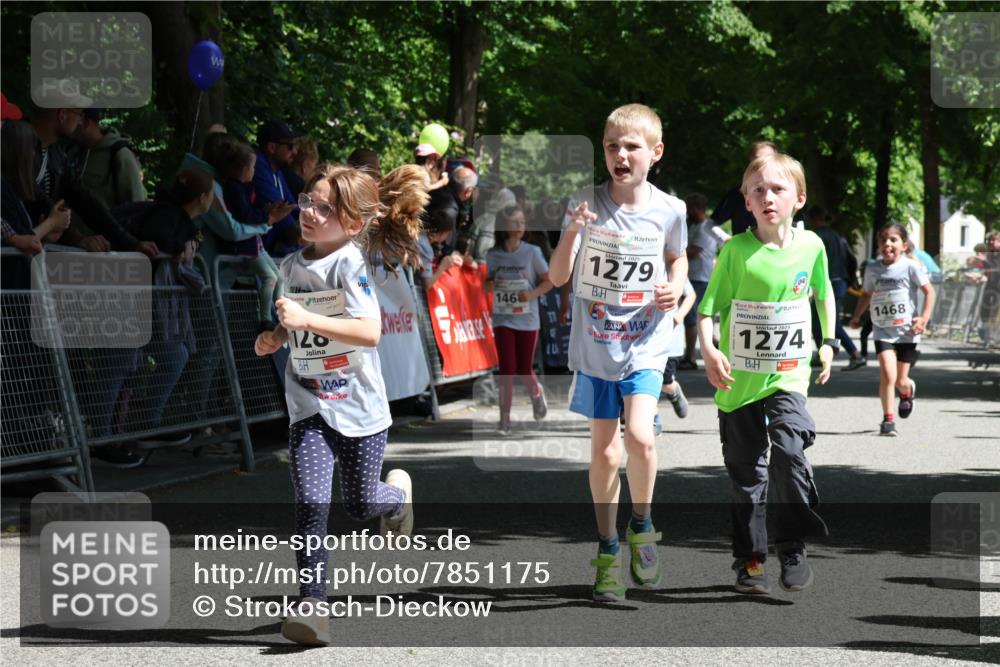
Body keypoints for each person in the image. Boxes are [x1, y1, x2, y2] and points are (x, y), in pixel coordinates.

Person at [254, 163, 426, 647]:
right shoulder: (289, 266)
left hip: (358, 408)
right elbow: (294, 322)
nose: (308, 212)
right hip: (309, 404)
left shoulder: (350, 263)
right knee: (311, 503)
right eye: (308, 201)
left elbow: (368, 332)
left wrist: (307, 316)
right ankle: (313, 606)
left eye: (323, 208)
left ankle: (395, 498)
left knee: (359, 504)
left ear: (352, 224)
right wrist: (274, 337)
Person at [549, 103, 688, 601]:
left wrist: (674, 286)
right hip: (596, 346)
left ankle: (642, 524)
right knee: (606, 453)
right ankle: (608, 548)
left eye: (632, 146)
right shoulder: (584, 201)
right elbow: (560, 275)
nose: (621, 155)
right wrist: (571, 231)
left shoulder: (671, 209)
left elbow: (678, 259)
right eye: (612, 146)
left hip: (646, 342)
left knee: (642, 439)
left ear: (656, 153)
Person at [697, 151, 834, 595]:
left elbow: (822, 291)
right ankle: (750, 557)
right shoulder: (736, 251)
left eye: (778, 189)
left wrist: (828, 342)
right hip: (738, 384)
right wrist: (709, 350)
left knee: (791, 451)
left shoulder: (811, 246)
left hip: (788, 377)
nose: (768, 197)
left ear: (799, 198)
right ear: (746, 202)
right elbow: (706, 310)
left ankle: (792, 545)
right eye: (758, 191)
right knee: (747, 476)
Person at [28, 92, 157, 257]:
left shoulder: (56, 154)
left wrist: (131, 242)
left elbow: (85, 201)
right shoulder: (20, 148)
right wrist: (79, 240)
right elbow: (39, 202)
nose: (80, 119)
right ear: (62, 115)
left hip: (35, 252)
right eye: (78, 113)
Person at [849, 223, 936, 437]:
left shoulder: (911, 267)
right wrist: (857, 315)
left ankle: (907, 392)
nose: (887, 244)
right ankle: (888, 420)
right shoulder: (873, 268)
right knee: (888, 374)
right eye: (883, 240)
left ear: (904, 245)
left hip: (908, 330)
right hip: (883, 329)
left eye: (893, 240)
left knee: (900, 380)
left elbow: (929, 292)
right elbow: (867, 294)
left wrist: (923, 318)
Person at [484, 205, 552, 434]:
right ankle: (505, 419)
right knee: (507, 368)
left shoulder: (532, 252)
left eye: (522, 223)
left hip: (527, 317)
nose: (519, 228)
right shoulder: (493, 255)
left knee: (524, 368)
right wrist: (490, 284)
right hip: (503, 317)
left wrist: (530, 294)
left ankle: (537, 393)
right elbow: (488, 282)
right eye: (514, 223)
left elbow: (548, 281)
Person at [216, 139, 294, 330]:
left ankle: (282, 313)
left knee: (279, 276)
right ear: (243, 169)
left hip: (254, 242)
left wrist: (267, 209)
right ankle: (265, 318)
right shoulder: (234, 189)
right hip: (247, 245)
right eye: (252, 167)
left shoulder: (244, 188)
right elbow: (245, 215)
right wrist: (268, 215)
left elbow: (250, 211)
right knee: (270, 277)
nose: (254, 171)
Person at [806, 206, 865, 371]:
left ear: (814, 219)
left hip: (827, 282)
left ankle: (855, 354)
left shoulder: (816, 237)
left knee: (831, 323)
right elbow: (852, 259)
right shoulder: (839, 236)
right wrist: (851, 279)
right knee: (818, 321)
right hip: (841, 281)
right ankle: (824, 352)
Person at [680, 192, 728, 370]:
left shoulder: (705, 227)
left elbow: (693, 252)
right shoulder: (695, 226)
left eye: (688, 207)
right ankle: (716, 345)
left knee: (693, 318)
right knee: (696, 317)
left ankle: (690, 357)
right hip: (693, 277)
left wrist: (672, 255)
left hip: (700, 278)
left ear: (695, 208)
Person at [67, 108, 146, 209]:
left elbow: (136, 205)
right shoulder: (73, 151)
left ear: (85, 123)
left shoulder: (120, 154)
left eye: (71, 118)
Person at [252, 120, 300, 258]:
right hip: (259, 253)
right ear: (272, 147)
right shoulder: (258, 167)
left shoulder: (276, 171)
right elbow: (284, 220)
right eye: (290, 146)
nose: (295, 152)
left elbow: (292, 207)